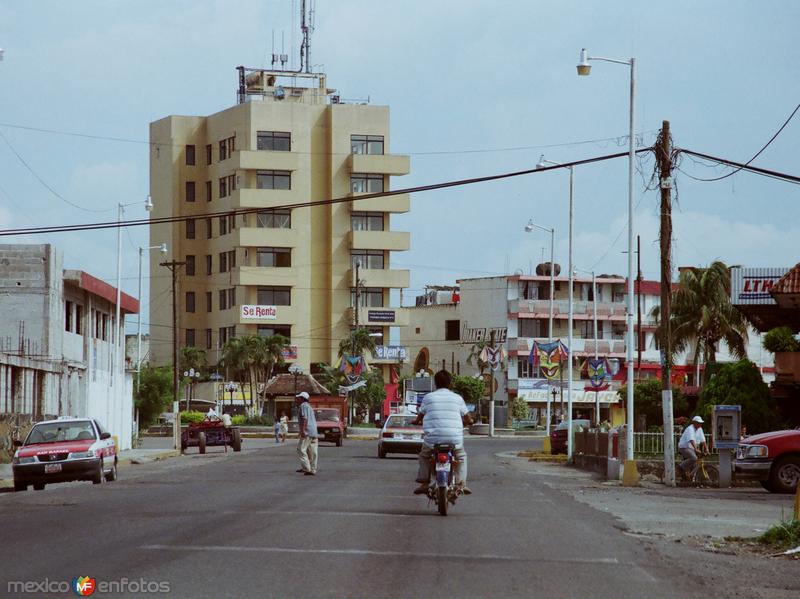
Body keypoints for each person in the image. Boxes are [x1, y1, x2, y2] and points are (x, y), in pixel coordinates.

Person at [412, 370, 473, 495]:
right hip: (454, 440)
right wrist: (470, 421)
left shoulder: (428, 397)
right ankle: (461, 483)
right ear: (450, 383)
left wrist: (416, 421)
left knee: (424, 456)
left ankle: (424, 483)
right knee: (461, 456)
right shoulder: (457, 398)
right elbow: (467, 418)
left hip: (432, 440)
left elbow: (420, 416)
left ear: (435, 383)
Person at [677, 415, 708, 480]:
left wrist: (706, 449)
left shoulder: (700, 429)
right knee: (694, 458)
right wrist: (696, 449)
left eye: (700, 423)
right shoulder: (690, 429)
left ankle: (688, 477)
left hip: (691, 448)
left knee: (696, 462)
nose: (700, 424)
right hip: (684, 447)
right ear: (694, 423)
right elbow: (691, 440)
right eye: (698, 423)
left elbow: (703, 440)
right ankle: (679, 467)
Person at [295, 392, 318, 475]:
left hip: (307, 431)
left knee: (301, 449)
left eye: (298, 398)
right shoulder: (309, 407)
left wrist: (302, 431)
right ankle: (313, 469)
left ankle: (306, 468)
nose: (297, 400)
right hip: (314, 431)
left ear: (302, 398)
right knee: (313, 452)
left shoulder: (303, 405)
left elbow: (305, 419)